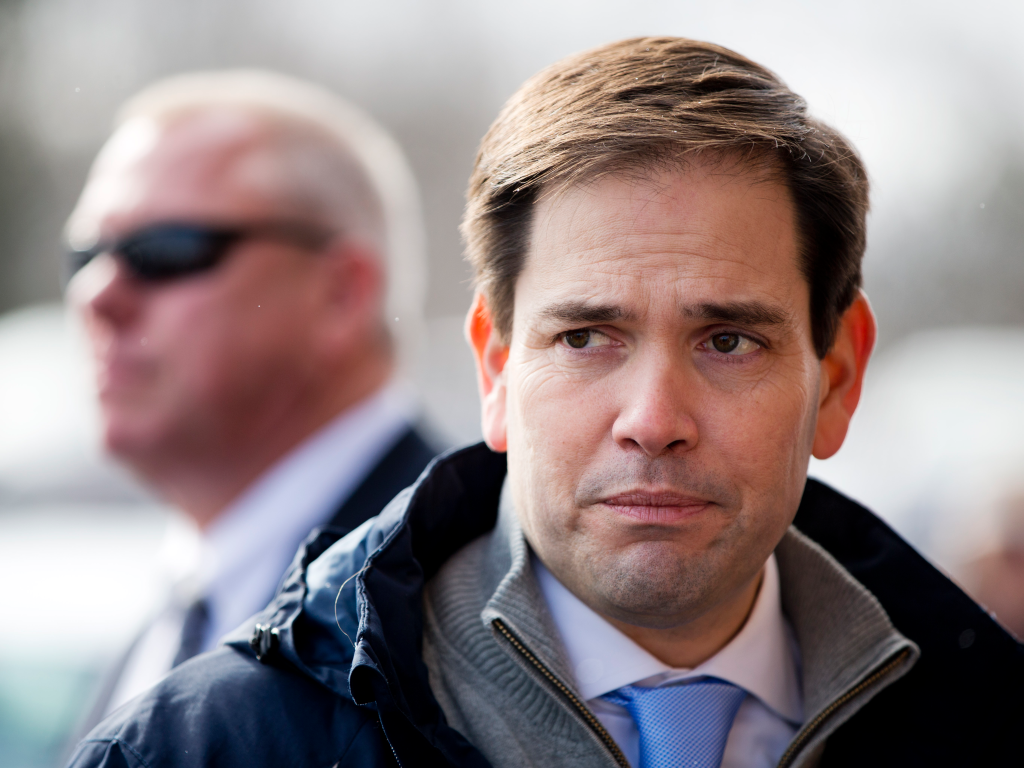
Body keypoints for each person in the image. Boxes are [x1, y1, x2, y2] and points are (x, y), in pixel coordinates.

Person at [67, 38, 1022, 768]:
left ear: (838, 377)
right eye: (586, 338)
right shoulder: (201, 750)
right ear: (494, 370)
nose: (654, 420)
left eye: (729, 341)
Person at [63, 70, 438, 727]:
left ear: (341, 294)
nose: (97, 294)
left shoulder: (457, 595)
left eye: (163, 250)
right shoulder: (180, 606)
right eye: (84, 256)